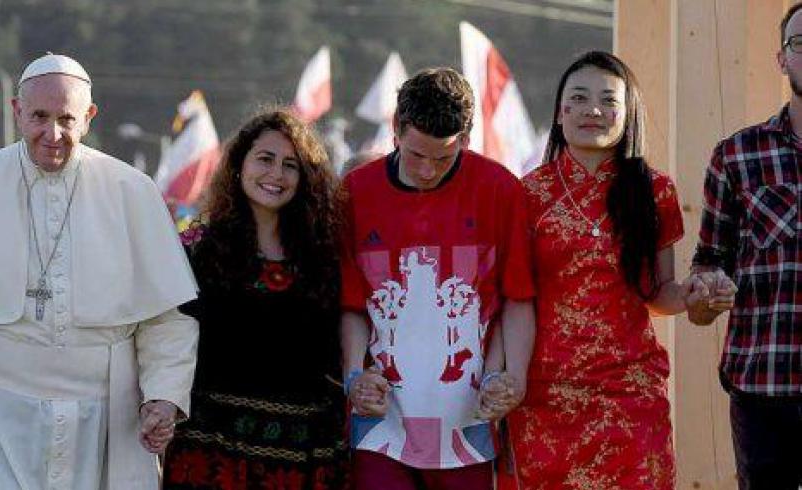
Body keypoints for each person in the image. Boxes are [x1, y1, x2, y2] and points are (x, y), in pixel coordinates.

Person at [0, 53, 199, 490]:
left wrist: (162, 396)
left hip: (103, 414)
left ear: (89, 118)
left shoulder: (133, 193)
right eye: (39, 116)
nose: (53, 133)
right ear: (17, 111)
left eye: (67, 118)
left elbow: (164, 317)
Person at [504, 50, 721, 490]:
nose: (594, 111)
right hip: (547, 394)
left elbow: (658, 293)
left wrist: (695, 295)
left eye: (609, 100)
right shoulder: (527, 194)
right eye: (579, 99)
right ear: (560, 112)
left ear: (628, 113)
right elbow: (516, 298)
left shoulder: (655, 191)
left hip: (630, 390)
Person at [338, 67, 536, 490]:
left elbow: (518, 298)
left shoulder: (501, 189)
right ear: (395, 130)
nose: (428, 171)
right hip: (380, 425)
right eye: (415, 155)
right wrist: (354, 375)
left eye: (444, 158)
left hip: (469, 424)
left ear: (466, 139)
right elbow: (352, 305)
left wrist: (513, 377)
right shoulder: (354, 193)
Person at [162, 109, 349, 489]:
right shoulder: (197, 252)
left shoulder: (325, 260)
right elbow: (170, 341)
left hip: (304, 450)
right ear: (238, 164)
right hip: (212, 447)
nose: (276, 175)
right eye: (265, 159)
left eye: (290, 165)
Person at [688, 3, 802, 488]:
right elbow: (708, 268)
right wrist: (704, 292)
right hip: (763, 386)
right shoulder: (737, 155)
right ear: (782, 59)